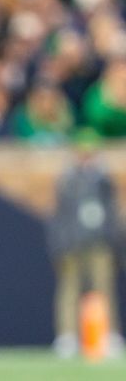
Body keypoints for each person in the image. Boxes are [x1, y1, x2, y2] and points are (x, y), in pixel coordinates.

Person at [46, 128, 124, 358]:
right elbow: (59, 215)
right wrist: (59, 244)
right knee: (69, 289)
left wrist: (115, 241)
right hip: (73, 241)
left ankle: (110, 334)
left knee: (105, 288)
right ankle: (67, 336)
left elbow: (112, 212)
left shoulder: (103, 179)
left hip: (100, 240)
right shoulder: (67, 179)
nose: (87, 157)